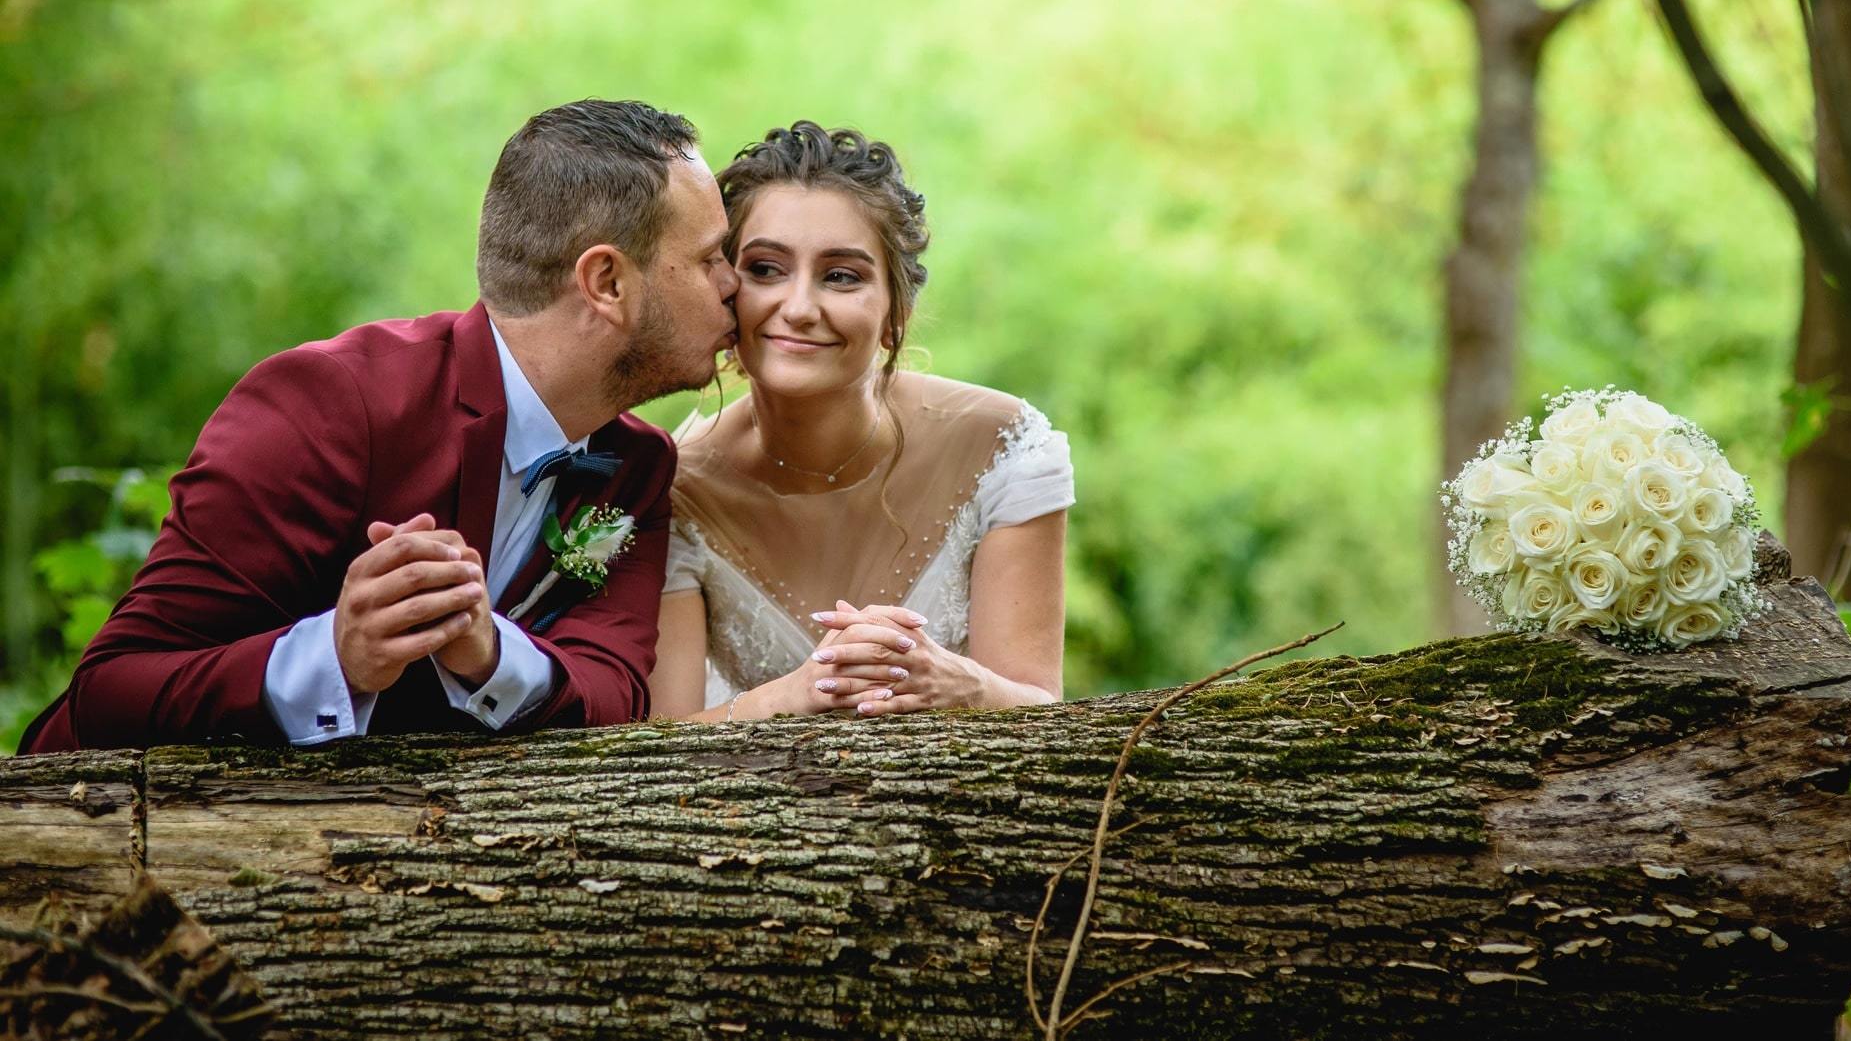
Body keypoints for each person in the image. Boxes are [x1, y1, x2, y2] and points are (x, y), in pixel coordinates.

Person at [22, 99, 740, 752]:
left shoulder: (636, 467)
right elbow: (111, 691)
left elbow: (614, 697)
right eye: (711, 259)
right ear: (607, 283)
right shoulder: (329, 404)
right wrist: (337, 656)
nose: (734, 285)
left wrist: (490, 655)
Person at [650, 121, 1071, 722]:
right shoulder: (671, 490)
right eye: (766, 268)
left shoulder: (1004, 447)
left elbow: (1045, 709)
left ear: (896, 314)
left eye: (841, 276)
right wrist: (786, 698)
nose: (799, 308)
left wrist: (965, 686)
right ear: (724, 290)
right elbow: (662, 738)